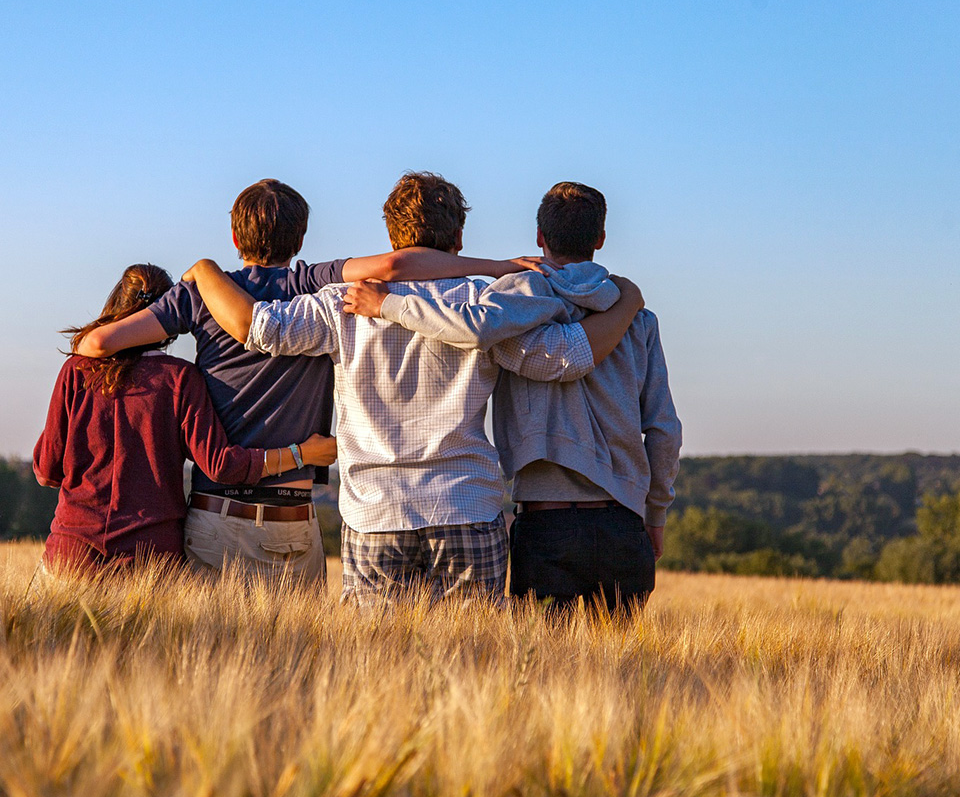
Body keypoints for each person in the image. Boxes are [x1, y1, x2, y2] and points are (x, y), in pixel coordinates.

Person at [183, 173, 643, 605]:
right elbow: (562, 359)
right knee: (475, 663)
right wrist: (627, 304)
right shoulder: (485, 304)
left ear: (391, 238)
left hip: (374, 513)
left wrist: (205, 271)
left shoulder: (341, 303)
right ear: (458, 240)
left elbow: (259, 328)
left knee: (376, 666)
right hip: (466, 505)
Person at [71, 178, 543, 584]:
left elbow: (96, 346)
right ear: (300, 240)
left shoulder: (201, 293)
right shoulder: (312, 284)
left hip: (216, 514)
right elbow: (397, 267)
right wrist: (496, 267)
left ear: (235, 236)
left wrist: (199, 276)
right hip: (294, 519)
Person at [343, 181, 681, 616]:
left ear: (540, 237)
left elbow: (473, 328)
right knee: (620, 675)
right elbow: (664, 430)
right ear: (599, 239)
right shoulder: (637, 319)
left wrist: (389, 304)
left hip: (545, 522)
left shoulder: (511, 304)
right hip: (624, 522)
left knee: (538, 671)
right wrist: (655, 514)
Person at [33, 263, 337, 576]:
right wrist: (302, 454)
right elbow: (221, 465)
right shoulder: (180, 379)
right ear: (168, 317)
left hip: (72, 552)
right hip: (151, 559)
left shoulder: (76, 371)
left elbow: (47, 471)